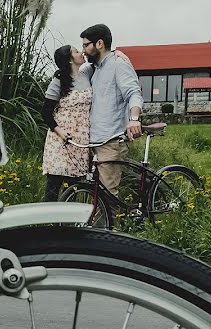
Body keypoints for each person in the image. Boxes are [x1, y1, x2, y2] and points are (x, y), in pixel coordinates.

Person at [80, 23, 144, 198]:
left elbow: (133, 93)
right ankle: (144, 195)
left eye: (86, 45)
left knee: (107, 196)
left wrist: (134, 118)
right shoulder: (93, 68)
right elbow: (75, 71)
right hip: (94, 141)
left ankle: (110, 226)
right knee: (95, 193)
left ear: (99, 44)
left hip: (111, 140)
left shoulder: (119, 64)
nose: (83, 50)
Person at [41, 45, 92, 202]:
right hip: (61, 139)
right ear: (70, 60)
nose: (81, 53)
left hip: (80, 139)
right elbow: (45, 112)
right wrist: (60, 132)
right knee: (54, 185)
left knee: (74, 187)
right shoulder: (58, 81)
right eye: (76, 52)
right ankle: (49, 221)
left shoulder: (87, 73)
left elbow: (102, 61)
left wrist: (118, 54)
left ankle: (68, 223)